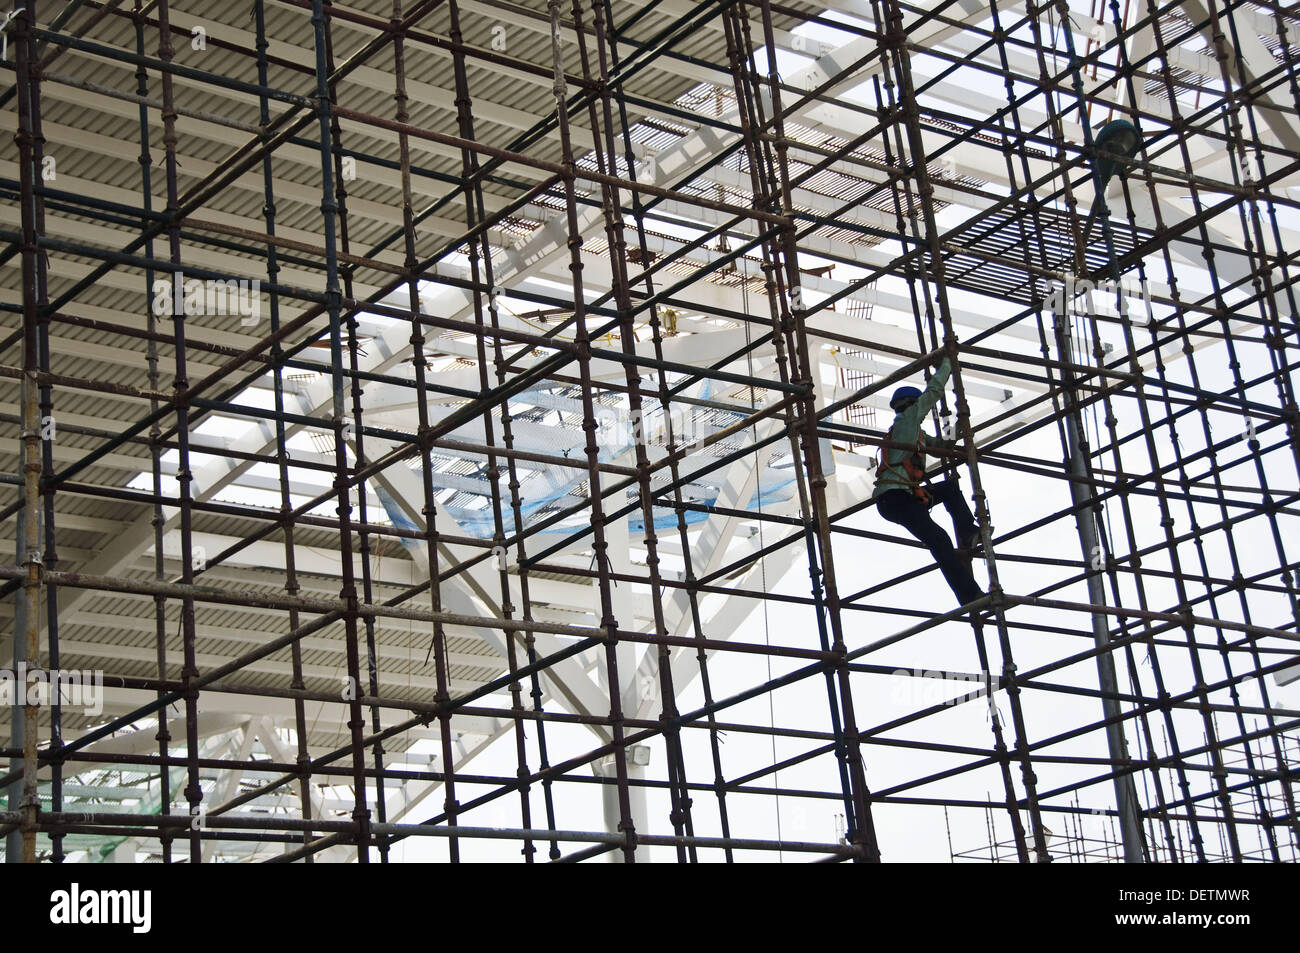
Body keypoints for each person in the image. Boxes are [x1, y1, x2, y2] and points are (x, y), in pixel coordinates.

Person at [872, 356, 985, 608]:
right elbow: (933, 392)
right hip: (895, 498)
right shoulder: (907, 420)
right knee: (940, 540)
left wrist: (959, 427)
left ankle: (968, 532)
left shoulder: (916, 433)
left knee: (948, 489)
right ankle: (969, 595)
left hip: (905, 497)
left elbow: (941, 447)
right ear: (911, 405)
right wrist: (946, 365)